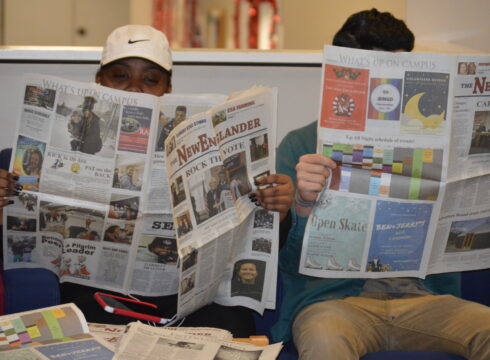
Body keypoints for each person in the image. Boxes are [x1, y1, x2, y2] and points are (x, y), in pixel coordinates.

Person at [271, 9, 490, 360]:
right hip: (336, 304)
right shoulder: (300, 146)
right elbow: (282, 263)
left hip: (427, 300)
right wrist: (304, 203)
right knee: (326, 341)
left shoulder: (443, 142)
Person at [58, 24, 294, 337]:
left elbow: (250, 240)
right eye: (120, 76)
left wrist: (278, 210)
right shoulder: (71, 144)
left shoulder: (203, 144)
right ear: (100, 81)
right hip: (102, 299)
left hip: (184, 303)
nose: (134, 89)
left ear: (167, 89)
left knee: (233, 325)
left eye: (150, 80)